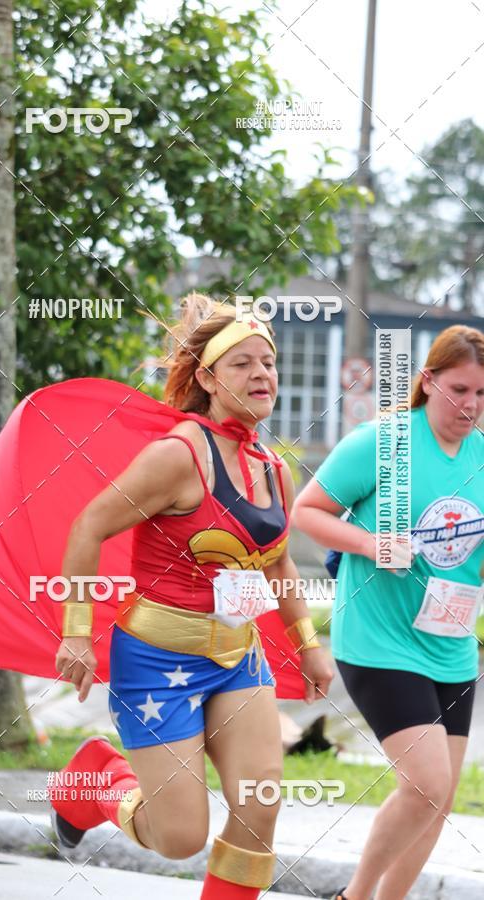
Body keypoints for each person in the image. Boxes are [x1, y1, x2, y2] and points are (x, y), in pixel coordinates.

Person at [50, 293, 333, 898]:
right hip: (157, 660)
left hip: (238, 656)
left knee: (260, 809)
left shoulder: (273, 467)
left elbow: (278, 558)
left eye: (268, 362)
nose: (262, 374)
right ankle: (94, 780)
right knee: (178, 837)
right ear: (206, 378)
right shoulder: (176, 457)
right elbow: (88, 526)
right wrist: (76, 631)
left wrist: (308, 645)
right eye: (242, 364)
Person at [292, 325, 484, 900]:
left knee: (442, 796)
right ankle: (354, 896)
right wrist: (371, 543)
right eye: (458, 390)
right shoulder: (385, 442)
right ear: (427, 382)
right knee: (425, 784)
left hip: (450, 641)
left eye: (482, 394)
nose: (470, 405)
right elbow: (308, 511)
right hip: (379, 639)